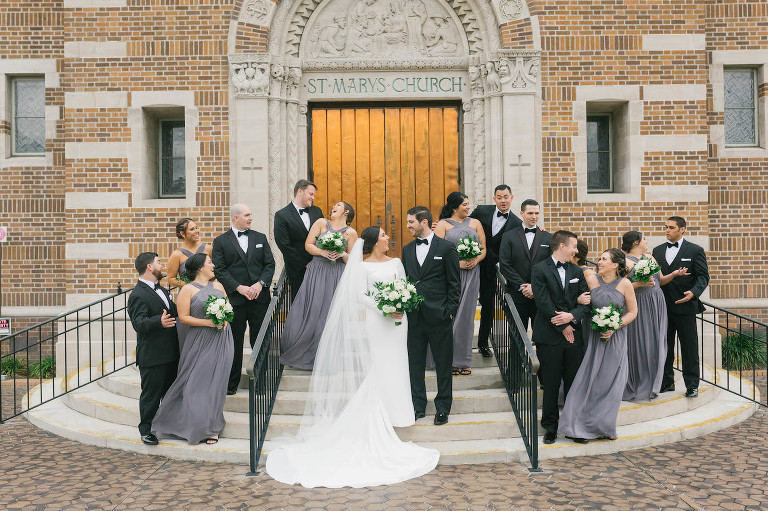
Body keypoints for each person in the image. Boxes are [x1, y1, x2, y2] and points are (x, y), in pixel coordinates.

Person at [265, 232, 439, 488]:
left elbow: (406, 287)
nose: (387, 237)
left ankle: (401, 412)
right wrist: (384, 307)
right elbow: (360, 295)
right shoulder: (362, 266)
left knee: (398, 365)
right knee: (380, 366)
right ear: (373, 241)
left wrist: (402, 304)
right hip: (378, 321)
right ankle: (379, 413)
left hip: (398, 322)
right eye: (382, 235)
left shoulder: (396, 262)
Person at [152, 253, 235, 445]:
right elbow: (184, 318)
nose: (213, 265)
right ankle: (190, 424)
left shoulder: (219, 285)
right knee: (195, 384)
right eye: (209, 263)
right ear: (199, 268)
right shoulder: (187, 290)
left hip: (222, 339)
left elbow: (229, 307)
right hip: (200, 341)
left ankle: (212, 427)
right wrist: (209, 322)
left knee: (217, 385)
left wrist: (224, 317)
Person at [558, 248, 638, 442]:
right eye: (600, 259)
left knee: (610, 384)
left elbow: (632, 312)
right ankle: (577, 425)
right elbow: (574, 301)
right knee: (588, 380)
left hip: (615, 338)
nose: (599, 262)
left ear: (615, 265)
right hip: (591, 337)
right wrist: (578, 300)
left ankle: (604, 426)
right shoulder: (590, 279)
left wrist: (615, 325)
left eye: (604, 259)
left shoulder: (625, 284)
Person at [280, 201, 358, 369]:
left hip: (336, 274)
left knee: (328, 316)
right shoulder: (321, 223)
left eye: (338, 205)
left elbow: (352, 260)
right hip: (316, 272)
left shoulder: (351, 233)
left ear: (346, 212)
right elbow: (308, 245)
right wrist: (322, 252)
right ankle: (299, 353)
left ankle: (324, 358)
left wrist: (341, 253)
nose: (333, 207)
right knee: (311, 311)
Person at [402, 206, 461, 426]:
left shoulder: (446, 248)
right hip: (414, 318)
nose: (408, 226)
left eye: (411, 222)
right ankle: (418, 406)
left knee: (443, 365)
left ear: (424, 222)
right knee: (414, 365)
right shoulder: (407, 250)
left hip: (440, 316)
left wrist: (450, 311)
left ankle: (443, 407)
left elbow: (455, 283)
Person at [530, 230, 590, 445]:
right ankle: (550, 427)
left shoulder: (577, 271)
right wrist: (563, 325)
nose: (577, 250)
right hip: (550, 336)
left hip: (574, 337)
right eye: (574, 246)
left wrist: (572, 316)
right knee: (551, 384)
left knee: (575, 384)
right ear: (562, 246)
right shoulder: (539, 269)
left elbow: (586, 302)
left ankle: (574, 427)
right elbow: (543, 303)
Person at [212, 204, 275, 396]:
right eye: (247, 215)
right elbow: (220, 270)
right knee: (234, 342)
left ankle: (261, 383)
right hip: (235, 301)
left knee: (260, 341)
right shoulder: (221, 241)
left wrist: (260, 284)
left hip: (259, 299)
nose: (250, 218)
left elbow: (269, 264)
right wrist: (239, 288)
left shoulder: (260, 238)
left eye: (251, 214)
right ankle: (231, 383)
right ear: (235, 217)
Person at [652, 216, 710, 398]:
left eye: (671, 227)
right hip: (663, 308)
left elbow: (703, 276)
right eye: (666, 227)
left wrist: (694, 292)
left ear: (682, 229)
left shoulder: (695, 250)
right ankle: (666, 382)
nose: (667, 230)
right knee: (665, 346)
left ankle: (692, 385)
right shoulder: (657, 250)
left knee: (689, 348)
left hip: (686, 308)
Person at [126, 252, 179, 446]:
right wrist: (159, 321)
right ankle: (146, 430)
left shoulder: (162, 290)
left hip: (171, 353)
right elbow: (138, 323)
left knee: (170, 393)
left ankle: (168, 426)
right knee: (151, 395)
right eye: (158, 262)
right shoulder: (137, 294)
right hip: (153, 356)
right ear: (149, 267)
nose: (161, 265)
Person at [433, 192, 485, 375]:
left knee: (467, 317)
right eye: (464, 204)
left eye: (468, 204)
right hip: (451, 275)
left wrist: (476, 260)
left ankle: (464, 360)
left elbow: (483, 247)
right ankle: (449, 360)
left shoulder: (475, 223)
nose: (468, 207)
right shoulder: (442, 225)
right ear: (454, 207)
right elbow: (438, 252)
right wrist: (457, 263)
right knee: (452, 316)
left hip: (472, 274)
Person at [470, 185, 522, 358]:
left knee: (488, 306)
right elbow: (463, 225)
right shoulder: (482, 211)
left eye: (506, 197)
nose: (503, 200)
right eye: (499, 197)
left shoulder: (516, 223)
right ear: (494, 199)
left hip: (491, 270)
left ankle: (483, 343)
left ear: (512, 198)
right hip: (469, 263)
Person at [622, 231, 668, 401]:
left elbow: (661, 279)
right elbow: (621, 286)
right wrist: (639, 283)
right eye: (644, 239)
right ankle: (640, 382)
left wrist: (674, 275)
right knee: (642, 343)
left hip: (657, 301)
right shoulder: (626, 261)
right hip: (640, 302)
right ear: (635, 242)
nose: (647, 241)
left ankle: (654, 383)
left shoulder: (650, 258)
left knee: (658, 343)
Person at [498, 199, 552, 331]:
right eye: (530, 213)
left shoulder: (548, 237)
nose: (534, 216)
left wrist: (535, 287)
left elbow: (550, 265)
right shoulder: (508, 236)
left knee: (541, 335)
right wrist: (523, 286)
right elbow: (505, 265)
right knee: (516, 336)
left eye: (537, 213)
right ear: (522, 213)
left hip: (540, 294)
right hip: (517, 294)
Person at [274, 180, 324, 300]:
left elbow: (324, 236)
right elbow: (284, 244)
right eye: (311, 194)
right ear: (300, 191)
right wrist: (304, 263)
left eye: (314, 195)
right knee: (300, 302)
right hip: (298, 270)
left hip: (319, 267)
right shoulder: (282, 215)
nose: (313, 197)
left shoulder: (317, 211)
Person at [166, 217, 213, 289]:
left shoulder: (208, 249)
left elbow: (217, 270)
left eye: (196, 228)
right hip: (188, 295)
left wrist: (206, 283)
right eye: (192, 229)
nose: (196, 231)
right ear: (182, 234)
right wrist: (189, 285)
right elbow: (171, 279)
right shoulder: (177, 255)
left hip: (207, 292)